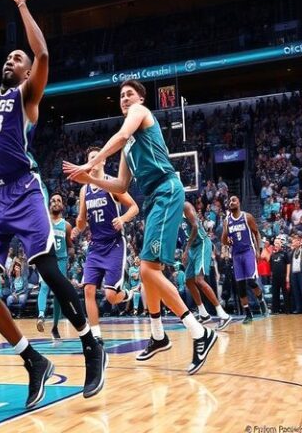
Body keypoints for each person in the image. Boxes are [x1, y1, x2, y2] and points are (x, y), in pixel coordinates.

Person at [0, 0, 106, 406]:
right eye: (8, 57)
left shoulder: (27, 98)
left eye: (16, 59)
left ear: (27, 74)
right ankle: (32, 360)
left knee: (47, 269)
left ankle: (90, 344)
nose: (11, 60)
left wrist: (22, 2)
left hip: (25, 191)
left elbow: (43, 57)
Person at [64, 80, 216, 376]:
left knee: (148, 271)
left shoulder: (140, 113)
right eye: (120, 95)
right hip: (153, 201)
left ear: (141, 98)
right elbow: (121, 185)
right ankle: (158, 334)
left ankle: (200, 333)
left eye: (129, 94)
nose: (124, 98)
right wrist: (91, 180)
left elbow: (121, 134)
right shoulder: (128, 148)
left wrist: (91, 163)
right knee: (149, 272)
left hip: (167, 191)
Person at [72, 147, 140, 344]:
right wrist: (78, 223)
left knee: (111, 296)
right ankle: (96, 335)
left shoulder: (112, 184)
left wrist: (123, 218)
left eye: (95, 158)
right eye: (89, 158)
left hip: (114, 244)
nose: (92, 161)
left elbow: (134, 207)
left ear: (102, 161)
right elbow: (82, 221)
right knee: (88, 290)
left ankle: (126, 294)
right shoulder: (84, 190)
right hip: (95, 246)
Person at [180, 200, 232, 330]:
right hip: (192, 247)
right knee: (189, 281)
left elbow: (196, 227)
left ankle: (223, 314)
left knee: (199, 280)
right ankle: (203, 313)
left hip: (202, 244)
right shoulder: (174, 212)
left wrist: (186, 249)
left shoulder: (186, 206)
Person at [222, 195, 268, 323]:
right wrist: (226, 234)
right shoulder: (227, 221)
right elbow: (223, 241)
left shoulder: (247, 217)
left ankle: (261, 300)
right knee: (240, 287)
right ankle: (248, 314)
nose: (231, 202)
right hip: (236, 255)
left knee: (252, 282)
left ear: (239, 203)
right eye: (229, 201)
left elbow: (256, 233)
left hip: (248, 252)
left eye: (234, 200)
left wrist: (259, 250)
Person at [36, 195, 75, 339]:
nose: (55, 203)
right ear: (49, 205)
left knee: (59, 295)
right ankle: (40, 315)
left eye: (58, 200)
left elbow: (70, 246)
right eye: (52, 201)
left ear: (63, 205)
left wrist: (72, 254)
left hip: (61, 261)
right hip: (47, 259)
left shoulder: (67, 226)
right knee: (44, 287)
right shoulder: (44, 222)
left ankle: (55, 326)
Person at [268, 236, 291, 314]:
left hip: (283, 276)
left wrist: (287, 276)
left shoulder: (285, 253)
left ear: (281, 244)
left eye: (278, 243)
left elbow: (288, 264)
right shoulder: (272, 255)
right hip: (275, 277)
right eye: (275, 243)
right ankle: (276, 310)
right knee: (275, 293)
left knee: (285, 293)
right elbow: (271, 266)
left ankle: (287, 310)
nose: (276, 244)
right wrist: (271, 276)